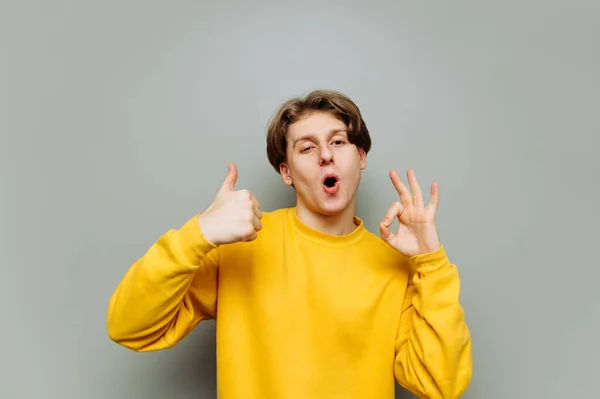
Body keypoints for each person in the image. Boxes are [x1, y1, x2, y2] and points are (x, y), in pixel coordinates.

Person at [106, 90, 472, 399]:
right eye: (307, 148)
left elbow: (441, 384)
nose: (325, 155)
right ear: (286, 172)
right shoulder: (240, 247)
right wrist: (198, 234)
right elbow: (129, 326)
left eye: (338, 141)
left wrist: (432, 262)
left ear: (360, 158)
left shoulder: (396, 266)